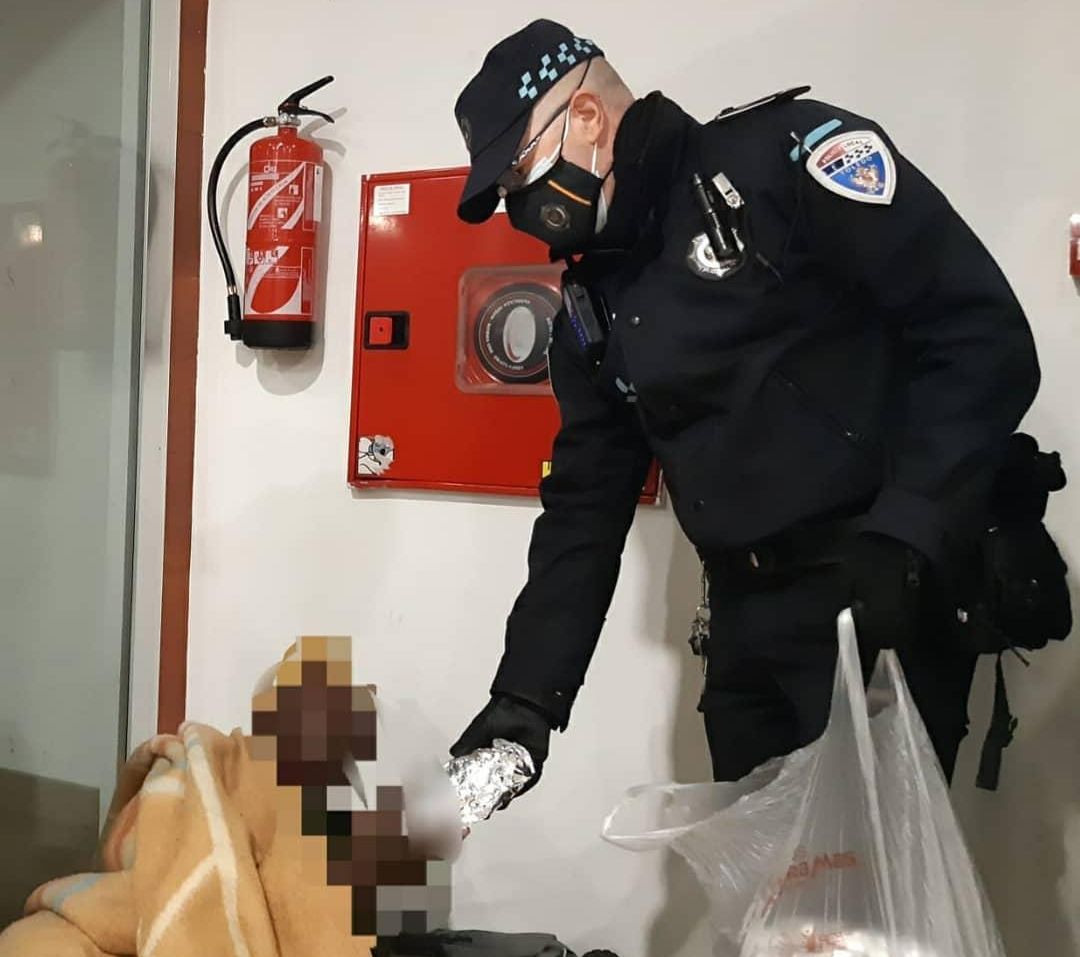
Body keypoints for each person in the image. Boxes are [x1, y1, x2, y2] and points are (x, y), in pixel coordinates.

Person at [448, 19, 1040, 787]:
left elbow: (981, 336)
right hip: (744, 626)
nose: (517, 205)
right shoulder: (595, 300)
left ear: (586, 117)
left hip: (879, 592)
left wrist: (909, 531)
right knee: (760, 862)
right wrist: (528, 695)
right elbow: (585, 503)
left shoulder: (779, 164)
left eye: (517, 172)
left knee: (866, 866)